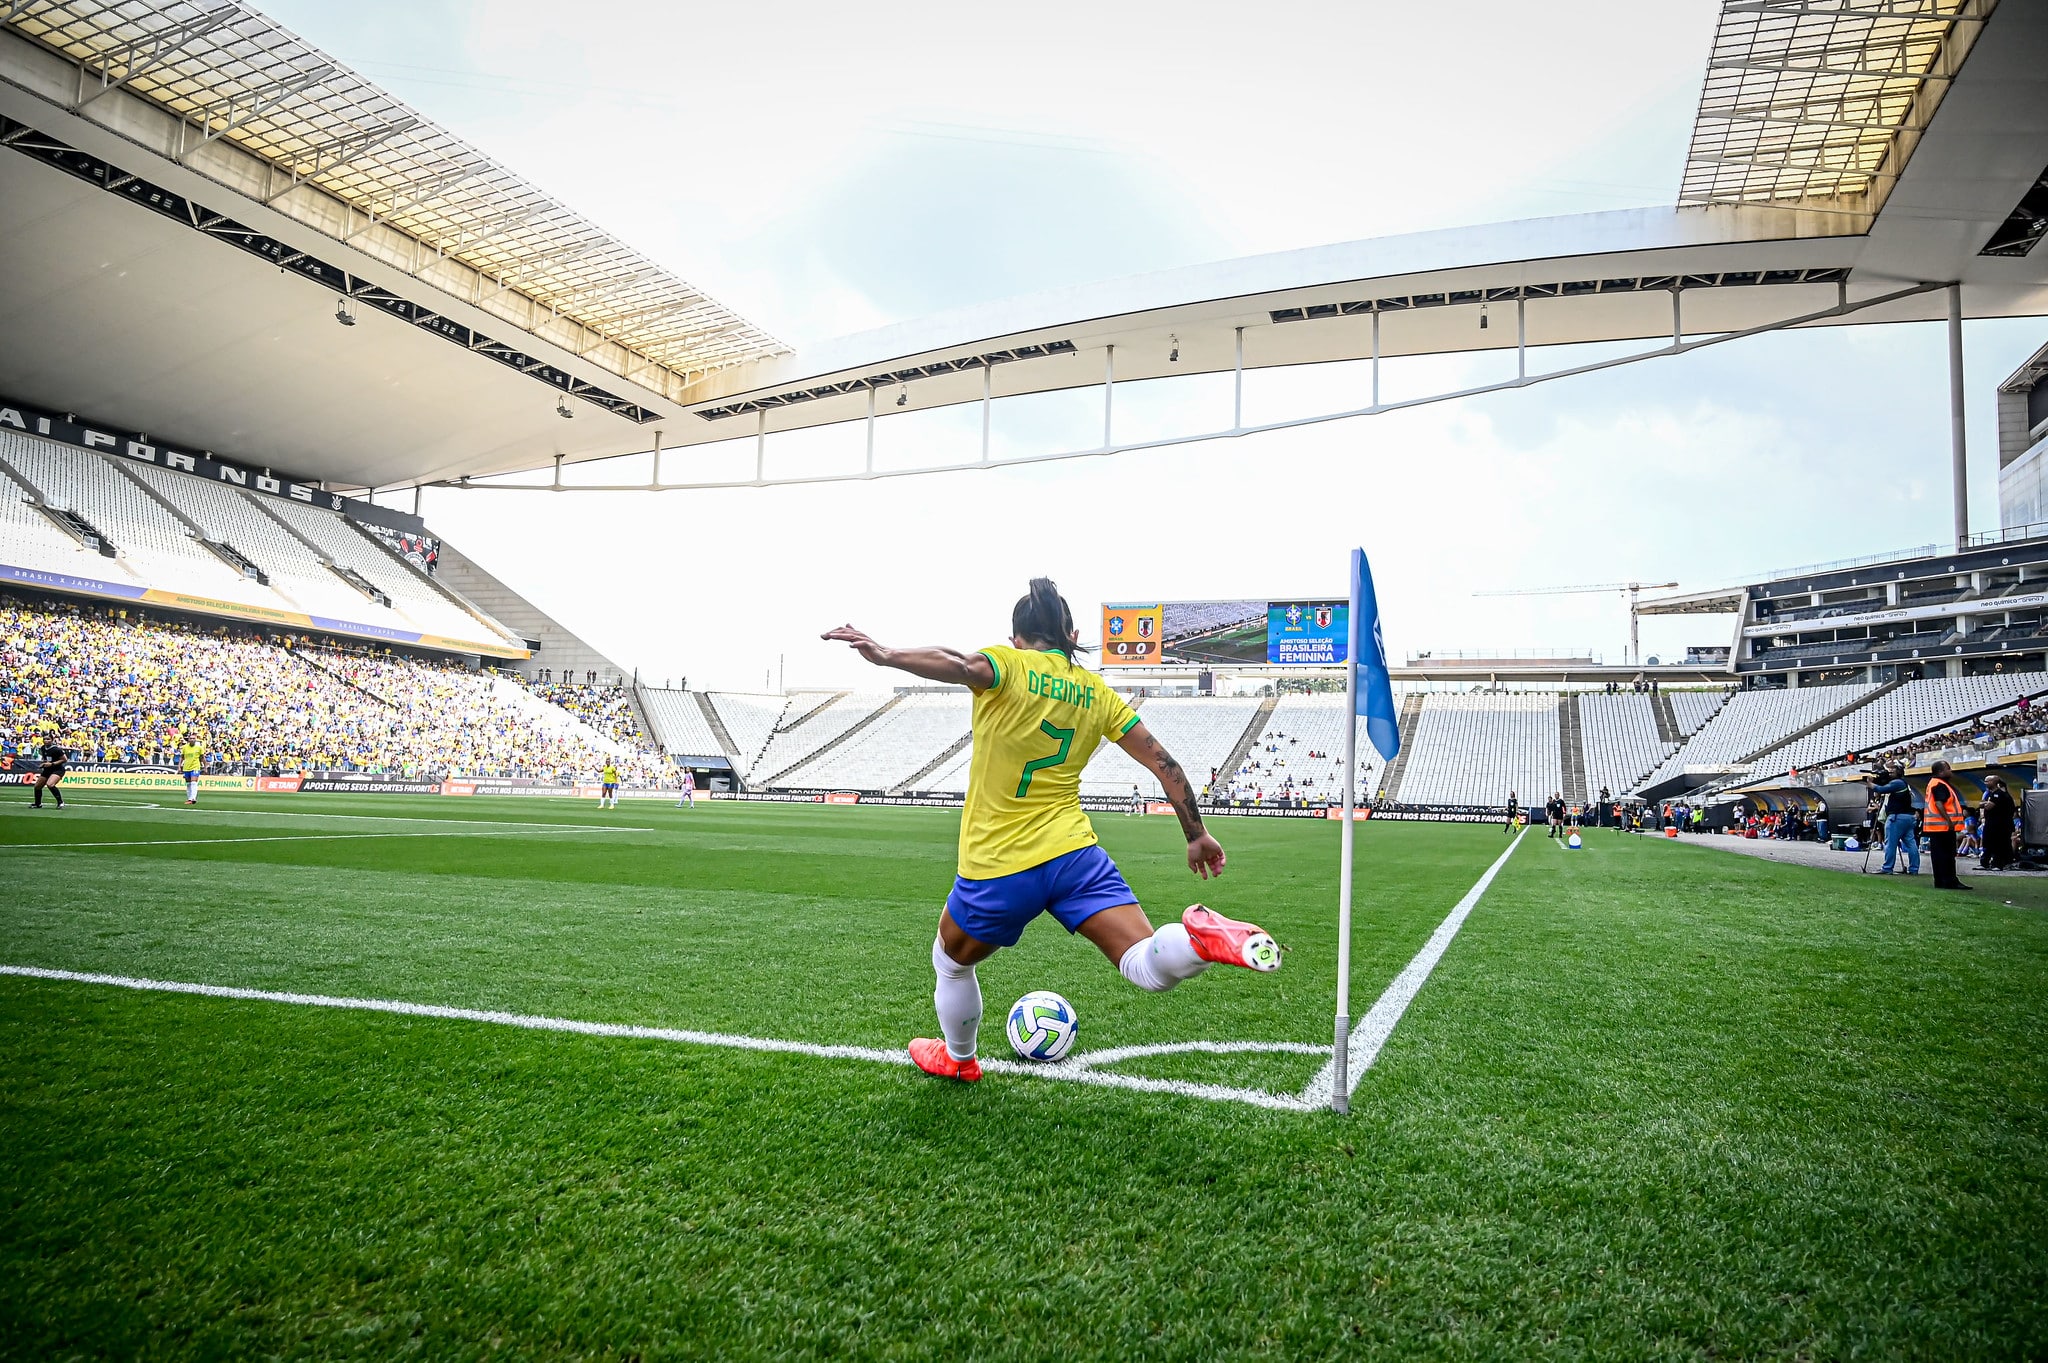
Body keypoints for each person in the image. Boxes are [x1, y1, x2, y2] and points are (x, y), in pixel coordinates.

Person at [823, 578, 1279, 1085]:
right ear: (1072, 634)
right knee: (1143, 965)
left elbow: (959, 664)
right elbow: (1163, 763)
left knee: (950, 963)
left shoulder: (1007, 664)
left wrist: (886, 655)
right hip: (1074, 856)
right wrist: (1196, 833)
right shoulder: (1096, 691)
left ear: (1017, 638)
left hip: (1000, 864)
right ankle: (1199, 943)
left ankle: (959, 1059)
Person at [1923, 761, 1970, 890]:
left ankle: (1940, 881)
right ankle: (1950, 881)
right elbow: (1939, 803)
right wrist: (1949, 821)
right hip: (1944, 827)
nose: (1951, 771)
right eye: (1948, 769)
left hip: (1935, 827)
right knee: (1947, 856)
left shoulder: (1933, 783)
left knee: (1938, 856)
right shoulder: (1940, 784)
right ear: (1941, 772)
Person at [1871, 764, 1919, 875]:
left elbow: (1881, 789)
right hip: (1908, 816)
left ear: (1899, 772)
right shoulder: (1904, 784)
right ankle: (1914, 869)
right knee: (1911, 843)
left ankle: (1887, 867)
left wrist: (1870, 783)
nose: (1890, 772)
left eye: (1892, 771)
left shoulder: (1897, 783)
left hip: (1897, 817)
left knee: (1890, 843)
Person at [1981, 774, 2017, 871]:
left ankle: (1999, 863)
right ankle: (1985, 862)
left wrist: (1985, 804)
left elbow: (1988, 806)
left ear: (1994, 782)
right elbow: (1982, 804)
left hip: (1999, 825)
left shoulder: (1999, 794)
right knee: (1988, 843)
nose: (1985, 783)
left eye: (1987, 781)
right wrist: (1985, 804)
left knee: (1998, 844)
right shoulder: (1990, 794)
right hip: (1991, 824)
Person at [31, 735, 69, 809]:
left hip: (57, 769)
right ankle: (38, 804)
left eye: (48, 739)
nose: (46, 740)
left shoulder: (56, 749)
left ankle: (60, 802)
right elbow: (46, 758)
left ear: (52, 740)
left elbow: (64, 759)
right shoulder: (43, 748)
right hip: (47, 770)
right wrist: (44, 763)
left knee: (50, 784)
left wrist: (52, 764)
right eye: (44, 739)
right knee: (37, 786)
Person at [178, 733, 205, 806]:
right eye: (191, 738)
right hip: (186, 767)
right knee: (188, 784)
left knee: (194, 782)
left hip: (195, 767)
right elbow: (182, 757)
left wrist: (205, 766)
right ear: (188, 740)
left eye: (193, 738)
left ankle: (193, 798)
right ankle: (189, 798)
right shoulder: (184, 747)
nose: (192, 740)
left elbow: (202, 758)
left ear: (195, 740)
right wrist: (179, 766)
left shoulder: (199, 748)